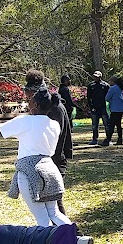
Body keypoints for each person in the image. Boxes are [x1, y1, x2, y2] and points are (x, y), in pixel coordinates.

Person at [0, 70, 71, 227]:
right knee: (55, 212)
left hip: (30, 171)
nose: (27, 103)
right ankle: (75, 240)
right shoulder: (54, 124)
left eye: (29, 101)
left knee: (42, 218)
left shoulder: (25, 121)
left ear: (35, 104)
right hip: (50, 169)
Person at [47, 81, 73, 215]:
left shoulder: (56, 109)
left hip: (56, 158)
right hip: (53, 158)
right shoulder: (56, 107)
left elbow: (57, 138)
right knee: (51, 203)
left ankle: (73, 233)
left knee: (55, 203)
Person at [99, 76, 123, 146]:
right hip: (121, 108)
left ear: (112, 81)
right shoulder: (119, 88)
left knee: (111, 125)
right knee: (118, 125)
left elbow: (107, 98)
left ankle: (108, 139)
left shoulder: (112, 88)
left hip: (115, 109)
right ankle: (120, 139)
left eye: (110, 81)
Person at [87, 70, 109, 145]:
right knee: (94, 125)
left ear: (100, 77)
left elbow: (108, 97)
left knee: (106, 124)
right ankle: (94, 139)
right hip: (94, 108)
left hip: (103, 108)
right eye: (94, 76)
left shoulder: (105, 85)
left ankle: (108, 139)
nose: (95, 78)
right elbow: (88, 97)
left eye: (97, 76)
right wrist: (91, 107)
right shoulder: (91, 85)